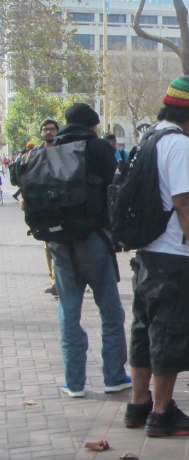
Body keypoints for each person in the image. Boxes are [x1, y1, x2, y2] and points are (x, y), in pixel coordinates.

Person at [124, 76, 189, 437]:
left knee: (144, 329)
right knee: (170, 331)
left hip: (148, 252)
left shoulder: (151, 137)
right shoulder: (181, 146)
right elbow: (183, 202)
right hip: (174, 254)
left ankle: (139, 403)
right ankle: (162, 413)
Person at [48, 103, 130, 397]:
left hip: (59, 242)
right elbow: (115, 185)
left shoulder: (51, 148)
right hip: (94, 238)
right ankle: (113, 376)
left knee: (68, 312)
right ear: (92, 124)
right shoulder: (97, 148)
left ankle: (74, 382)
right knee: (109, 310)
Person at [39, 119, 60, 296]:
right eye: (45, 129)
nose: (48, 132)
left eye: (52, 129)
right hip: (44, 205)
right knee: (48, 244)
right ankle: (53, 280)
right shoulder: (36, 154)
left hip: (63, 203)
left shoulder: (65, 150)